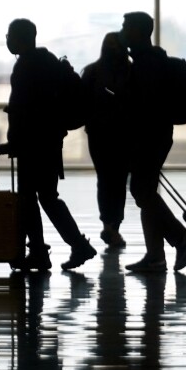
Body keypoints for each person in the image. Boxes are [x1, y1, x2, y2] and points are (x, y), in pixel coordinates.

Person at [0, 18, 98, 271]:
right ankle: (68, 246)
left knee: (31, 198)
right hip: (50, 139)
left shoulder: (26, 67)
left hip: (33, 143)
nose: (7, 40)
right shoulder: (50, 62)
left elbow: (21, 110)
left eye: (9, 35)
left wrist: (13, 142)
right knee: (46, 197)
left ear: (20, 38)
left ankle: (46, 250)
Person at [121, 11, 186, 273]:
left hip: (146, 136)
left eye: (126, 27)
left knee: (142, 193)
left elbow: (141, 105)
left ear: (139, 32)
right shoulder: (154, 61)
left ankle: (179, 237)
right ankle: (155, 255)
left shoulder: (144, 65)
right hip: (157, 134)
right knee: (146, 192)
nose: (123, 31)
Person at [80, 32, 134, 250]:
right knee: (118, 181)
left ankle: (108, 224)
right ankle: (113, 226)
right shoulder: (132, 72)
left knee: (105, 179)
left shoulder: (93, 72)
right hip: (123, 134)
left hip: (99, 134)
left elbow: (82, 101)